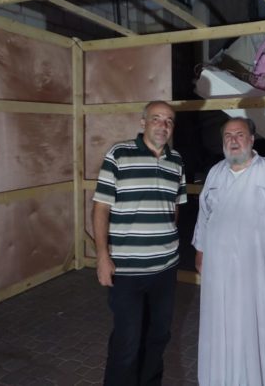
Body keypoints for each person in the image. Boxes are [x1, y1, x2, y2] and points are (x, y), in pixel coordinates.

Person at [92, 100, 187, 386]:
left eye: (169, 120)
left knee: (158, 337)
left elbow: (175, 207)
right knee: (127, 341)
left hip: (165, 269)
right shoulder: (119, 154)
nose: (163, 125)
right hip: (127, 270)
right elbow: (101, 208)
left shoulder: (177, 161)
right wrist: (102, 257)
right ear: (143, 122)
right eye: (156, 118)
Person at [193, 117, 265, 386]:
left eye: (239, 134)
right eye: (228, 136)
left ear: (251, 139)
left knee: (257, 324)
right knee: (220, 322)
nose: (233, 140)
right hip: (219, 268)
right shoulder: (215, 173)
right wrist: (200, 249)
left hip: (257, 267)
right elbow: (204, 214)